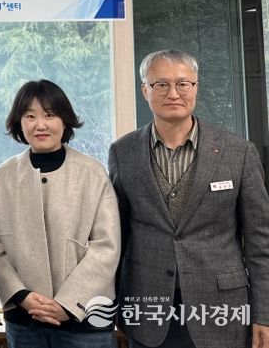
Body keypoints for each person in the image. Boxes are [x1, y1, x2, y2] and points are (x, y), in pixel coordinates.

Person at [109, 49, 269, 348]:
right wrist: (111, 306)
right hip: (148, 306)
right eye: (161, 84)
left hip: (222, 308)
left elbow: (260, 240)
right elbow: (116, 237)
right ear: (145, 90)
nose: (173, 93)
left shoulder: (239, 152)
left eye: (183, 83)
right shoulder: (123, 152)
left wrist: (264, 314)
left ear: (196, 87)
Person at [0, 79, 120, 348]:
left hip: (85, 320)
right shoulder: (3, 177)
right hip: (25, 320)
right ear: (19, 123)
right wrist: (22, 296)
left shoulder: (92, 172)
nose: (40, 125)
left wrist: (67, 303)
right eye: (30, 116)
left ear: (64, 121)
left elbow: (107, 247)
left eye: (49, 115)